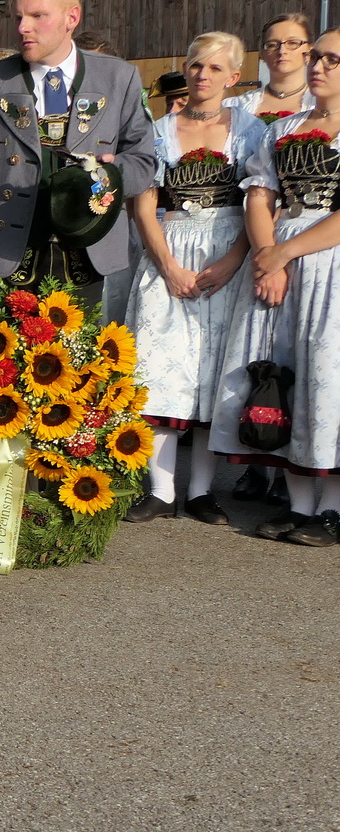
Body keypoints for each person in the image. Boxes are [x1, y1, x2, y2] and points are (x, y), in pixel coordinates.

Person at [0, 0, 156, 304]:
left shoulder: (118, 78)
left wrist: (108, 173)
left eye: (38, 16)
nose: (23, 28)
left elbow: (143, 163)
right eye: (18, 17)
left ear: (72, 17)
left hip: (90, 258)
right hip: (6, 258)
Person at [122, 33, 266, 526]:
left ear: (233, 76)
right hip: (170, 246)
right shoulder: (157, 131)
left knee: (212, 368)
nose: (203, 74)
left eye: (214, 67)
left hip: (227, 249)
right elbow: (143, 203)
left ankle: (202, 491)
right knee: (159, 367)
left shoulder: (252, 131)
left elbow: (258, 203)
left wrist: (233, 260)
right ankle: (161, 489)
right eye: (196, 65)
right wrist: (166, 264)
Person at [209, 32, 340, 546]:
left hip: (329, 262)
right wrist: (267, 259)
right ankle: (298, 502)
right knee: (283, 374)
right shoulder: (284, 128)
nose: (318, 66)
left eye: (332, 59)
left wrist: (284, 253)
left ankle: (331, 510)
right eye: (317, 57)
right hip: (280, 263)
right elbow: (260, 197)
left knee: (327, 376)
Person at [226, 14, 315, 123]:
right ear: (262, 53)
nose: (282, 51)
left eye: (292, 43)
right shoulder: (237, 106)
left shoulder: (318, 105)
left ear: (310, 51)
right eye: (272, 45)